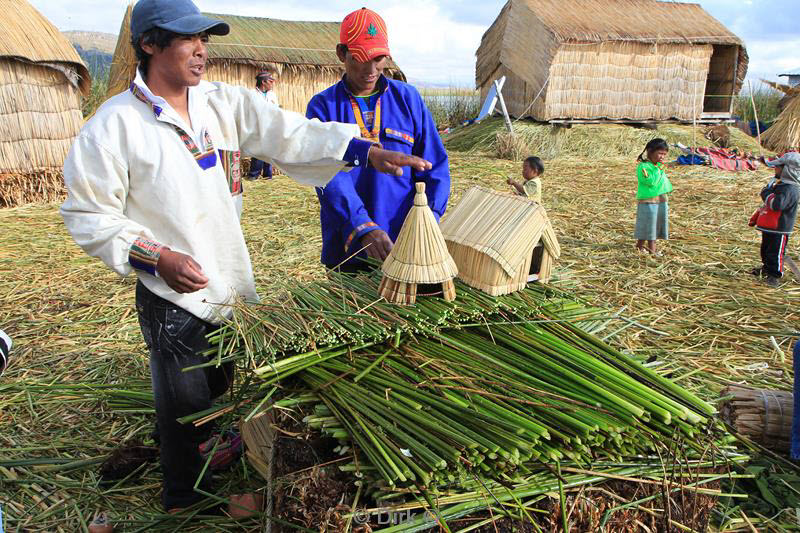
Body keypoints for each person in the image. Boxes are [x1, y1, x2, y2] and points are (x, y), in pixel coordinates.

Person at [60, 0, 431, 514]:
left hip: (227, 276)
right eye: (189, 40)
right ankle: (184, 502)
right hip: (174, 294)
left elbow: (288, 133)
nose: (201, 50)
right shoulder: (114, 127)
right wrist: (155, 256)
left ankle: (208, 465)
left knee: (216, 388)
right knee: (183, 406)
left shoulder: (219, 103)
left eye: (205, 40)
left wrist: (364, 151)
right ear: (149, 44)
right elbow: (88, 214)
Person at [306, 8, 450, 272]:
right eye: (360, 58)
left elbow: (434, 165)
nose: (371, 70)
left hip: (405, 243)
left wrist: (430, 217)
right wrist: (362, 226)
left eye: (378, 58)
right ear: (341, 53)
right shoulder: (324, 107)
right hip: (350, 245)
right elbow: (327, 174)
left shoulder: (408, 99)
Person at [751, 152, 800, 286]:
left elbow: (776, 204)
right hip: (771, 226)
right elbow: (766, 206)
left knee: (775, 252)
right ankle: (766, 268)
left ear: (788, 170)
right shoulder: (781, 185)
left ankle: (774, 275)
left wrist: (766, 192)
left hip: (779, 227)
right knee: (766, 250)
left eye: (778, 166)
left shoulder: (790, 189)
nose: (775, 169)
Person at [634, 138, 673, 256]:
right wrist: (657, 170)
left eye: (664, 154)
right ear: (650, 151)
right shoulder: (644, 167)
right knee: (651, 225)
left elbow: (663, 182)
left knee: (652, 223)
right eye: (660, 153)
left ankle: (639, 246)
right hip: (649, 201)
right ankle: (652, 251)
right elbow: (650, 181)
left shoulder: (657, 166)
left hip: (660, 200)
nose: (662, 157)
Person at [246, 70, 279, 180]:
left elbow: (276, 110)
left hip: (270, 127)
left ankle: (267, 176)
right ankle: (254, 176)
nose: (272, 83)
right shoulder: (252, 94)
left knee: (269, 152)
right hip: (257, 127)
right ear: (263, 82)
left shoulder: (272, 95)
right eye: (270, 81)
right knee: (258, 151)